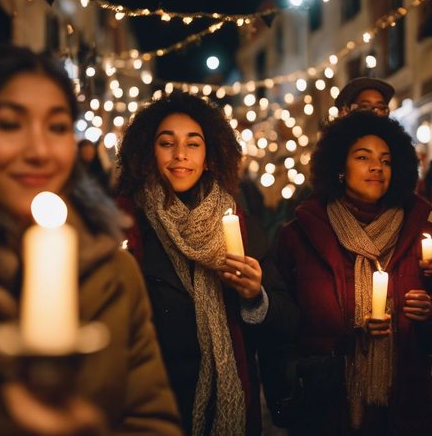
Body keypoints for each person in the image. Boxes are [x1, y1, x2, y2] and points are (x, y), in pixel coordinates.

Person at [0, 44, 182, 435]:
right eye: (10, 124)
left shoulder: (114, 273)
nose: (40, 151)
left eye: (58, 127)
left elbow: (153, 420)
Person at [115, 91, 297, 436]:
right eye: (167, 143)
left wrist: (255, 297)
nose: (180, 155)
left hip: (225, 402)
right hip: (150, 403)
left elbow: (286, 323)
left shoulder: (238, 223)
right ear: (147, 153)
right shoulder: (125, 221)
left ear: (210, 155)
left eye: (193, 144)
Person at [275, 110, 432, 435]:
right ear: (339, 168)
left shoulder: (422, 236)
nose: (377, 166)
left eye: (386, 160)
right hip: (327, 411)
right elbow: (282, 331)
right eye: (363, 157)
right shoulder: (300, 236)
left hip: (405, 411)